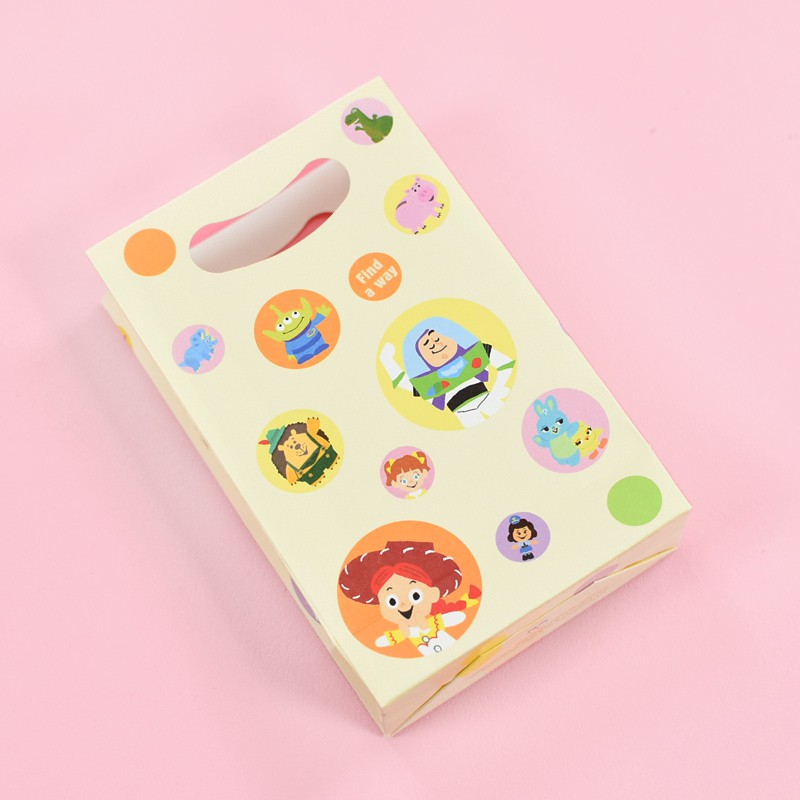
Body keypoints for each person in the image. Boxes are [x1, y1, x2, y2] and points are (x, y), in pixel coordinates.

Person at [339, 540, 481, 656]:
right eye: (392, 601)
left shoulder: (436, 622)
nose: (404, 605)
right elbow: (382, 642)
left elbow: (458, 617)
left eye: (415, 596)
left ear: (433, 594)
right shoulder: (404, 632)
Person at [379, 316, 515, 428]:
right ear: (422, 359)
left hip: (490, 399)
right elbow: (401, 381)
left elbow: (506, 363)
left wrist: (498, 388)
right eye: (427, 345)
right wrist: (387, 361)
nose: (435, 345)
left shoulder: (474, 354)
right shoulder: (429, 381)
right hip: (464, 415)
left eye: (437, 339)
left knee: (507, 423)